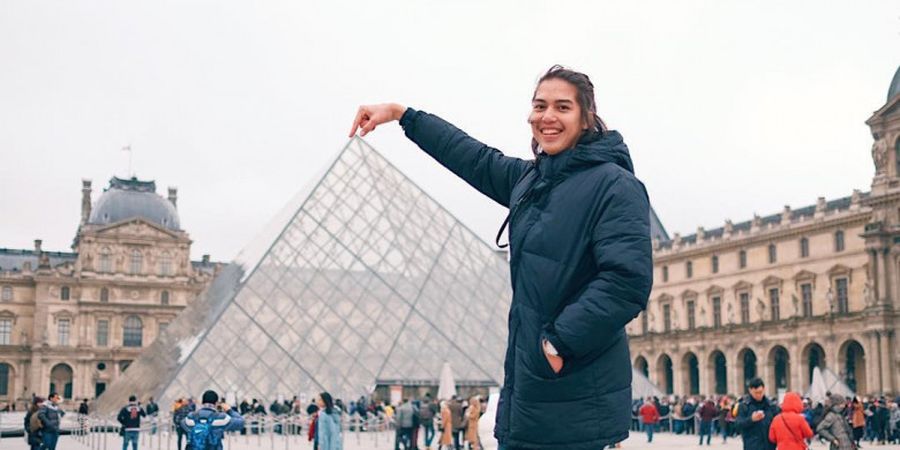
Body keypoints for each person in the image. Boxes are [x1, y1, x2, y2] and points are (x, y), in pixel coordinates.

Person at [350, 65, 653, 450]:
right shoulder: (531, 181)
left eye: (562, 107)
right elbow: (472, 157)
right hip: (529, 391)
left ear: (586, 116)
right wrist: (402, 115)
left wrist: (558, 345)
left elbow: (627, 282)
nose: (547, 117)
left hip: (573, 394)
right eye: (540, 105)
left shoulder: (615, 185)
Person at [735, 378, 779, 450]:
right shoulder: (744, 406)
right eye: (756, 393)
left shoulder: (771, 406)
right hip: (752, 446)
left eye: (760, 392)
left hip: (769, 446)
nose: (759, 395)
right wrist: (751, 419)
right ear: (750, 390)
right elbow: (738, 424)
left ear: (764, 389)